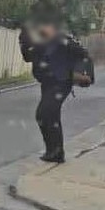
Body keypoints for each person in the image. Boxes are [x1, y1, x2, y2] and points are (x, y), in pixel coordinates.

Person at [19, 23, 87, 163]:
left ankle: (55, 151)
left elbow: (81, 52)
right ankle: (54, 151)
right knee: (50, 115)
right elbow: (28, 56)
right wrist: (28, 42)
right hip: (47, 81)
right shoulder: (31, 34)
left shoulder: (59, 35)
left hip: (62, 80)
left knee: (44, 113)